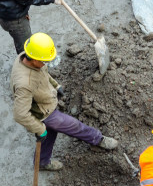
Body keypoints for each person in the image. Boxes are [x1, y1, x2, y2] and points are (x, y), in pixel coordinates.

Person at [10, 32, 118, 171]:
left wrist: (55, 85)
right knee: (74, 125)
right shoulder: (25, 83)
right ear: (34, 59)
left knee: (49, 135)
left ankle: (42, 162)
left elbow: (43, 73)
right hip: (45, 114)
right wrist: (39, 128)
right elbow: (20, 114)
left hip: (45, 102)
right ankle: (98, 139)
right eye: (44, 61)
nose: (45, 64)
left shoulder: (26, 56)